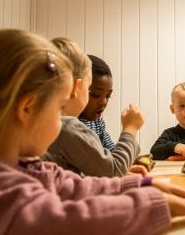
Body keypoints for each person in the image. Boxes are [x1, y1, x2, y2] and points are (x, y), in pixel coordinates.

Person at [0, 29, 185, 234]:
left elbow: (74, 187)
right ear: (27, 109)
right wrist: (147, 205)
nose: (63, 120)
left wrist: (140, 186)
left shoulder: (20, 167)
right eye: (58, 109)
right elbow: (65, 222)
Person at [43, 37, 147, 177]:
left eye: (108, 96)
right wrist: (131, 128)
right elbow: (113, 170)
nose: (103, 102)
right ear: (76, 87)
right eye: (93, 93)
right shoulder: (68, 127)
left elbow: (103, 160)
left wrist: (128, 162)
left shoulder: (47, 122)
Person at [79, 54, 116, 151]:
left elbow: (113, 151)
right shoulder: (71, 124)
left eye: (108, 96)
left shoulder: (98, 123)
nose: (103, 102)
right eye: (95, 94)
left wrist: (131, 159)